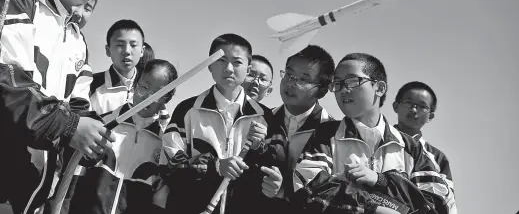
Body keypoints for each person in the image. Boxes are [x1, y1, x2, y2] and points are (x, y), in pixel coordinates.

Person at [0, 0, 115, 214]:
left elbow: (78, 108)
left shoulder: (78, 41)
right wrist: (68, 126)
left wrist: (91, 139)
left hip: (36, 187)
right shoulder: (21, 3)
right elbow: (2, 79)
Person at [291, 53, 454, 214]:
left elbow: (438, 206)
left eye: (353, 81)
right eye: (337, 83)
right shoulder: (325, 135)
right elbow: (306, 187)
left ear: (380, 88)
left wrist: (382, 181)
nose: (343, 89)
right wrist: (371, 209)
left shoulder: (413, 149)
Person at [158, 33, 274, 214]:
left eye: (237, 62)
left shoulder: (264, 116)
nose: (228, 68)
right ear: (210, 65)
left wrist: (260, 149)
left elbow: (272, 171)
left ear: (248, 69)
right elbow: (169, 164)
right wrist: (216, 167)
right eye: (221, 60)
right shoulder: (187, 109)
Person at [64, 59, 178, 214]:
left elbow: (159, 197)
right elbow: (74, 175)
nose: (148, 97)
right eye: (144, 86)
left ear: (167, 98)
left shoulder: (163, 142)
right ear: (136, 83)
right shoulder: (101, 124)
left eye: (158, 93)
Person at [255, 45, 336, 212]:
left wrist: (284, 191)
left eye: (304, 79)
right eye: (289, 74)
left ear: (322, 90)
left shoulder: (333, 133)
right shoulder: (262, 120)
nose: (291, 83)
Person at [392, 81, 457, 213]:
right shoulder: (377, 139)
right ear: (396, 106)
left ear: (430, 116)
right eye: (409, 103)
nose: (414, 110)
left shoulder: (437, 158)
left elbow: (447, 203)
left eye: (422, 106)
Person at [90, 19, 145, 116]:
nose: (127, 51)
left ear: (142, 51)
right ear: (108, 50)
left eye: (133, 45)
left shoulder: (151, 88)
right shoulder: (90, 85)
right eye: (120, 45)